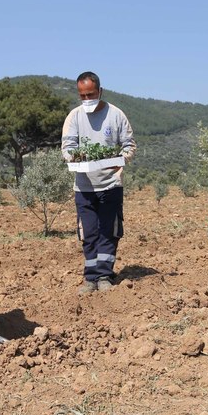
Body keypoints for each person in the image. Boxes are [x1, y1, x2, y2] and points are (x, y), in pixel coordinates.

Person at [61, 71, 136, 294]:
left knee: (109, 231)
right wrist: (75, 159)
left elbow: (129, 145)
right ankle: (90, 276)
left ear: (100, 91)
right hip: (84, 187)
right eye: (82, 95)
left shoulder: (116, 115)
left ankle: (105, 275)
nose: (86, 99)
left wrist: (121, 160)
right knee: (89, 232)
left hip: (111, 185)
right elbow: (67, 148)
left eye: (90, 94)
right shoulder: (74, 117)